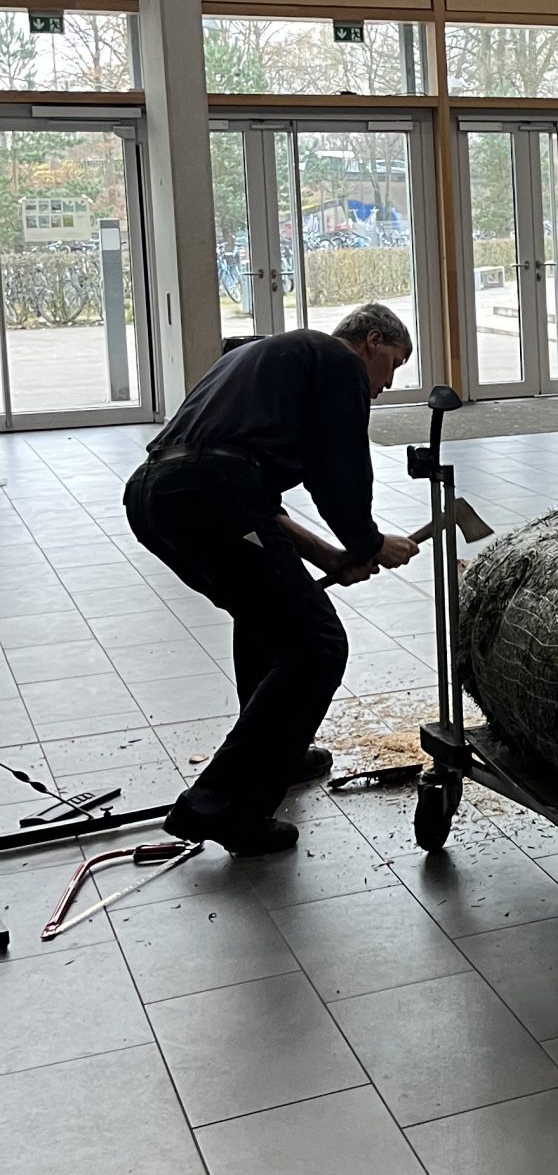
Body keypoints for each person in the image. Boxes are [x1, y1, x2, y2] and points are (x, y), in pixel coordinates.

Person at [121, 306, 421, 856]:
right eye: (394, 365)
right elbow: (340, 470)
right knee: (316, 645)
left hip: (156, 494)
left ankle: (278, 752)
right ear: (372, 341)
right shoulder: (337, 360)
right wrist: (368, 542)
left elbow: (257, 502)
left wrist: (332, 556)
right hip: (211, 496)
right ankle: (222, 804)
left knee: (267, 622)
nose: (386, 385)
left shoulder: (270, 359)